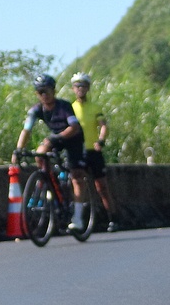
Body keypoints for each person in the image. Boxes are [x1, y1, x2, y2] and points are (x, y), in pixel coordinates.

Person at [13, 74, 88, 227]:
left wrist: (56, 137)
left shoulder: (64, 106)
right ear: (37, 94)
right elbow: (26, 130)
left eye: (46, 91)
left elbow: (74, 127)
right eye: (40, 92)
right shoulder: (36, 109)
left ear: (53, 91)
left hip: (73, 138)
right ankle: (48, 181)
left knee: (76, 177)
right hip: (56, 138)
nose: (44, 95)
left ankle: (78, 218)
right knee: (40, 153)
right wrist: (18, 150)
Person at [68, 73, 117, 231]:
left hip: (93, 151)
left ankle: (112, 218)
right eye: (77, 86)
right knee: (77, 184)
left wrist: (101, 140)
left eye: (83, 86)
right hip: (78, 151)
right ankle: (78, 219)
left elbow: (103, 125)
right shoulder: (70, 108)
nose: (80, 89)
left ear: (88, 88)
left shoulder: (95, 107)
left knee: (101, 186)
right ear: (73, 88)